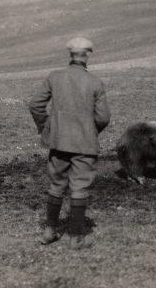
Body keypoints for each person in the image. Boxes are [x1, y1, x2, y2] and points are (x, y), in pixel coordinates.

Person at [29, 37, 111, 249]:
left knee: (56, 185)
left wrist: (48, 128)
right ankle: (76, 238)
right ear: (87, 55)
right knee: (79, 188)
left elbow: (36, 105)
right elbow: (103, 118)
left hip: (58, 142)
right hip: (84, 145)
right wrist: (90, 132)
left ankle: (49, 232)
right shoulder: (95, 82)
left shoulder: (54, 77)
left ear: (70, 55)